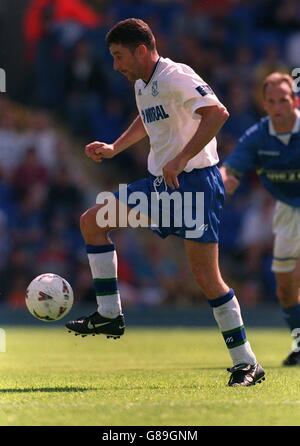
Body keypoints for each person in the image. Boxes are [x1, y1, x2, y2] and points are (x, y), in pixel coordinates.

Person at [66, 18, 265, 386]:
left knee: (207, 278)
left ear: (142, 50)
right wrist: (114, 147)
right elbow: (146, 119)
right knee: (93, 221)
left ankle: (246, 362)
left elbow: (218, 113)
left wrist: (181, 158)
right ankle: (109, 313)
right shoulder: (144, 83)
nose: (116, 65)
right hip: (164, 184)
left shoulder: (175, 75)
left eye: (119, 56)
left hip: (195, 184)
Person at [220, 72, 300, 366]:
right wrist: (225, 179)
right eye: (272, 101)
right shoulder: (258, 136)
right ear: (264, 104)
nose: (279, 106)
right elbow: (232, 166)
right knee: (285, 287)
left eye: (284, 100)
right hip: (288, 211)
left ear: (293, 100)